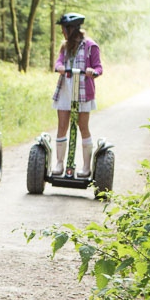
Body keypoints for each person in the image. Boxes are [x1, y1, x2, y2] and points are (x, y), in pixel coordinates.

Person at [51, 12, 103, 177]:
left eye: (64, 29)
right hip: (66, 90)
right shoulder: (65, 47)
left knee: (83, 126)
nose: (62, 32)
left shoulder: (90, 46)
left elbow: (99, 68)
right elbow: (59, 61)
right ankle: (60, 164)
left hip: (82, 92)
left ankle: (86, 167)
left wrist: (92, 71)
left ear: (71, 29)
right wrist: (59, 66)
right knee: (62, 126)